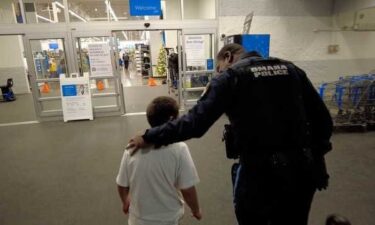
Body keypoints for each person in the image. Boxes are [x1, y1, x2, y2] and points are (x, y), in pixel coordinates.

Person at [127, 44, 333, 225]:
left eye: (218, 68)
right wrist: (314, 155)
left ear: (228, 57)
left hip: (259, 174)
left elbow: (194, 123)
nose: (218, 72)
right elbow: (324, 121)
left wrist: (149, 136)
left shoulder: (232, 77)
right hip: (302, 172)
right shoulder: (292, 70)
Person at [117, 96, 202, 225]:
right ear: (172, 120)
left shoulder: (132, 147)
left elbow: (122, 184)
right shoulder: (180, 148)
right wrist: (196, 210)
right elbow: (187, 189)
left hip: (138, 219)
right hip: (169, 218)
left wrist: (125, 201)